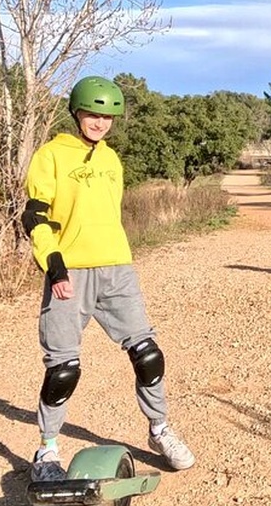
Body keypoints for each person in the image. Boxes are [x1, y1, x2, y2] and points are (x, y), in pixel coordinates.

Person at [22, 76, 196, 482]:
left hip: (117, 268)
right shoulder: (51, 155)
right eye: (92, 113)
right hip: (69, 273)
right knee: (63, 368)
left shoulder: (111, 160)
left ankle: (160, 430)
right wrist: (54, 264)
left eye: (107, 116)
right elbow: (36, 216)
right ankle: (46, 450)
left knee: (148, 353)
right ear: (77, 113)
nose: (99, 122)